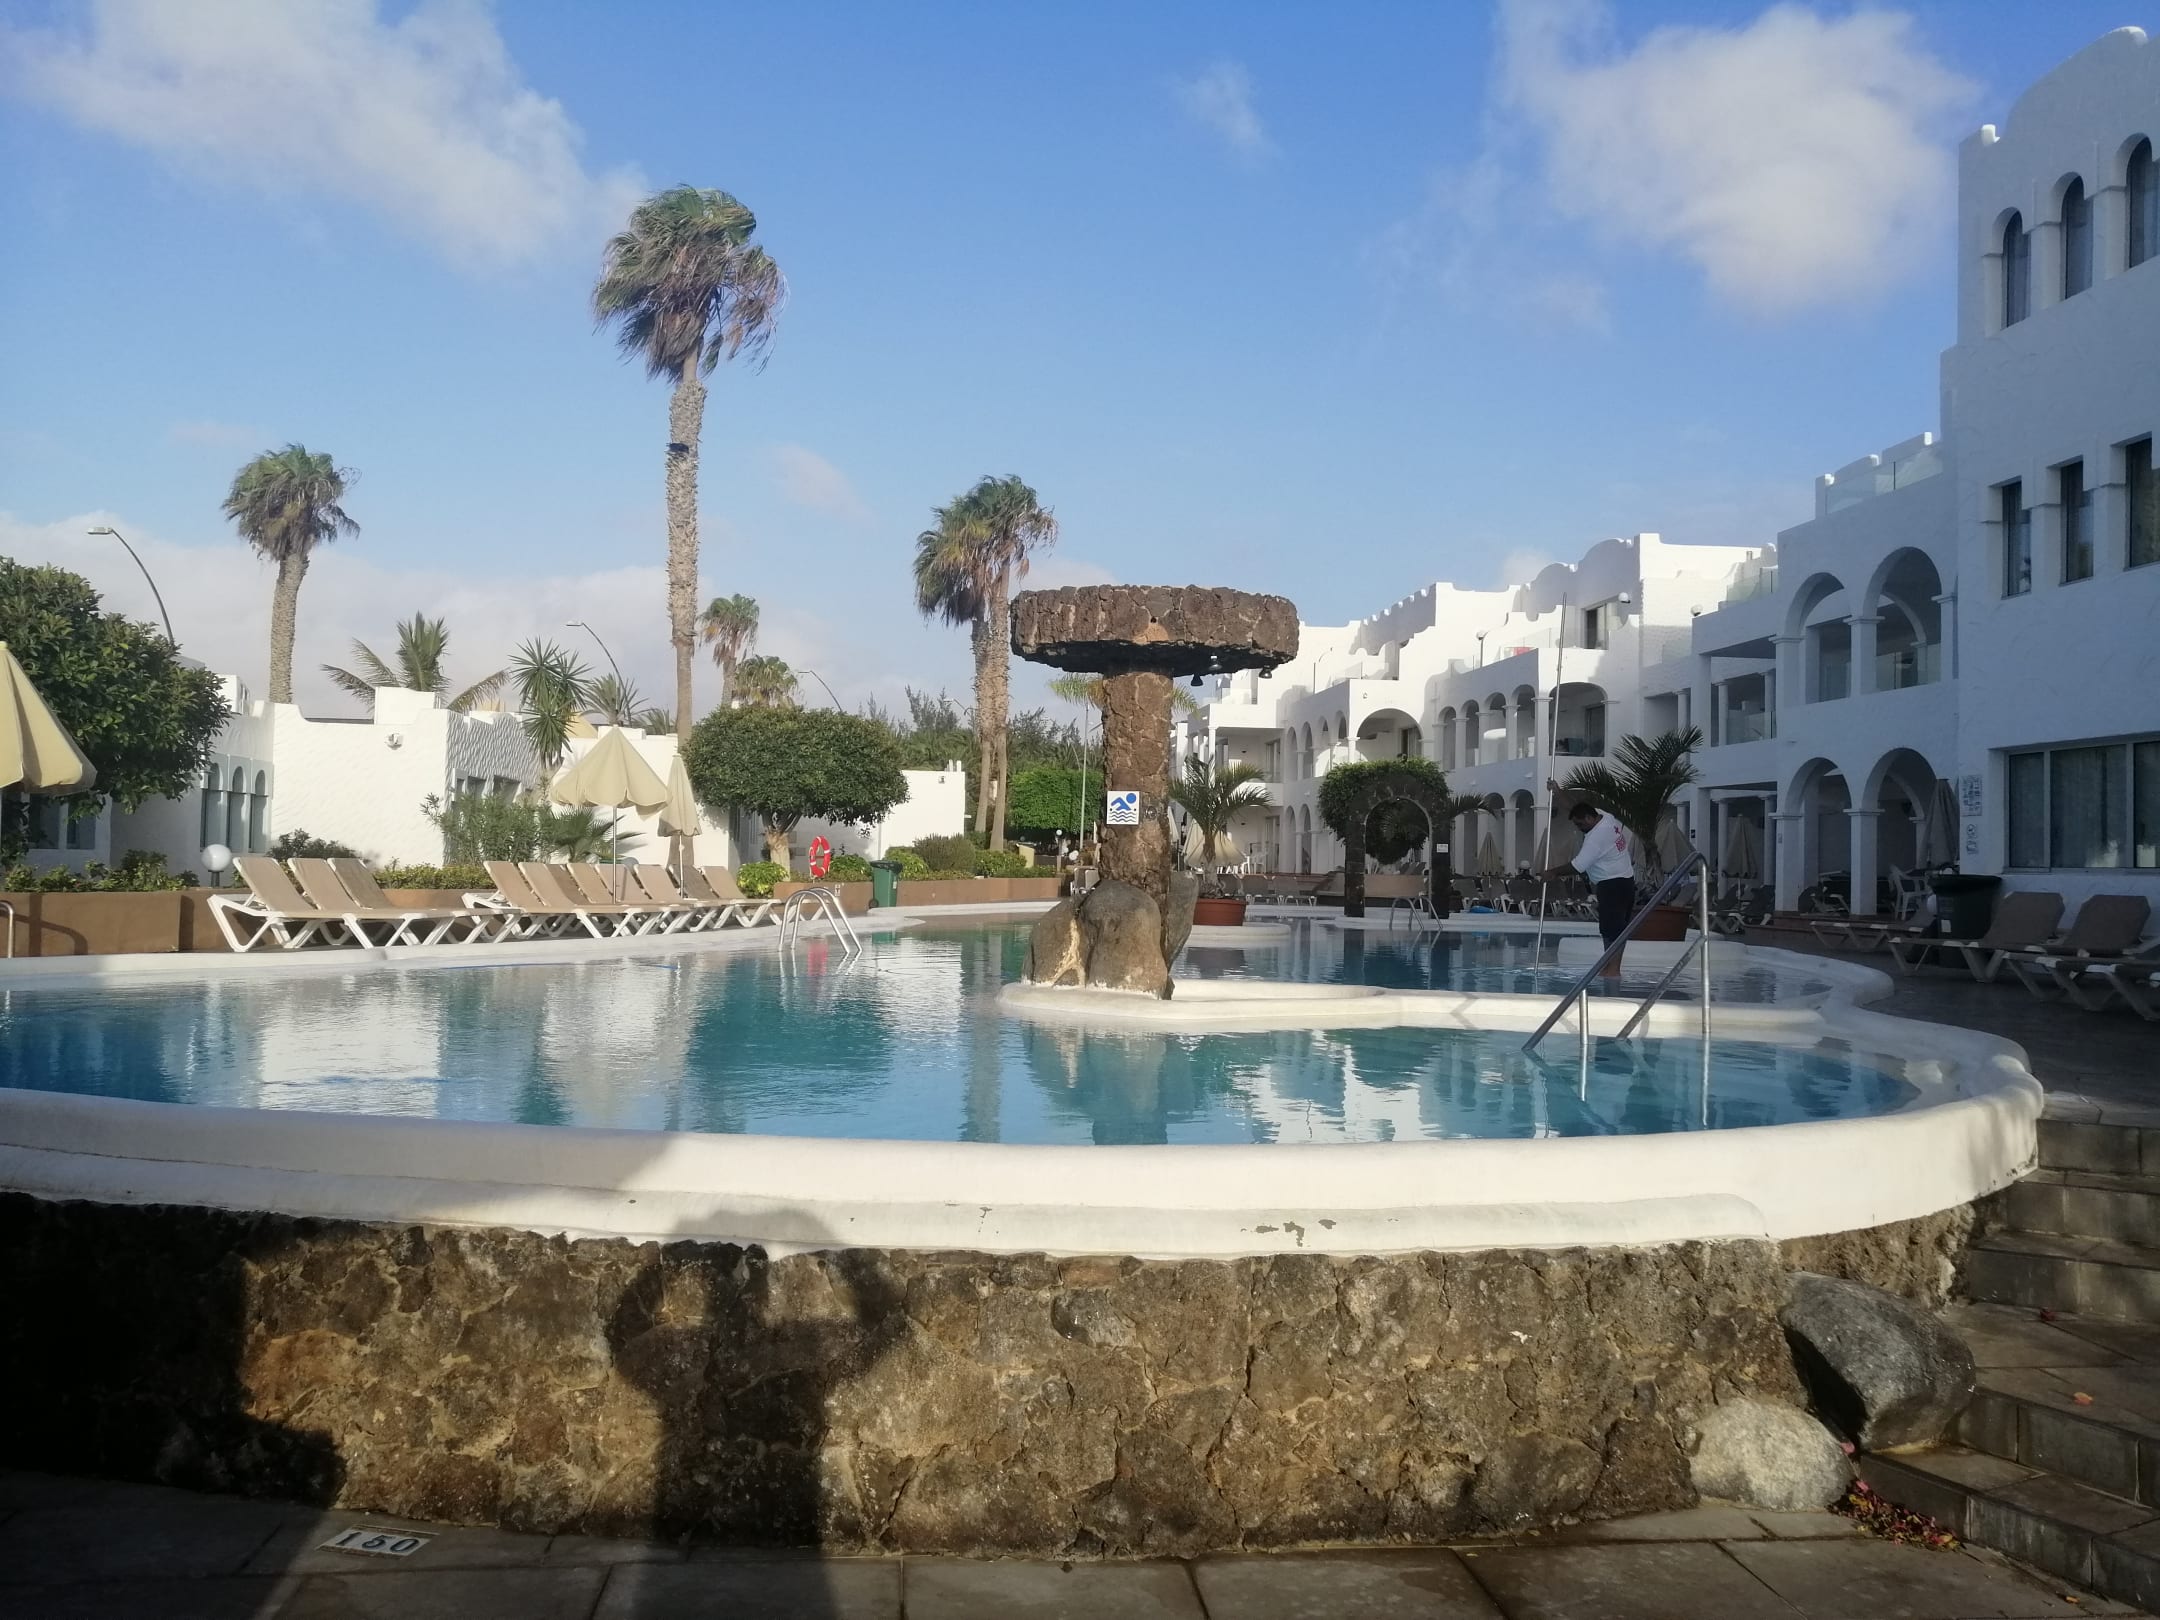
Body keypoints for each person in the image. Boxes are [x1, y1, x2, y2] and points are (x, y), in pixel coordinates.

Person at [1540, 796, 1635, 984]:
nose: (1579, 828)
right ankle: (1609, 967)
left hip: (1613, 884)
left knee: (1613, 930)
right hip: (1624, 880)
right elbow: (1575, 807)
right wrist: (1558, 792)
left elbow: (1578, 866)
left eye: (1580, 824)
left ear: (1590, 819)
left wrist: (1552, 872)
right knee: (1609, 929)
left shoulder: (1596, 838)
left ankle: (1613, 970)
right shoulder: (1605, 817)